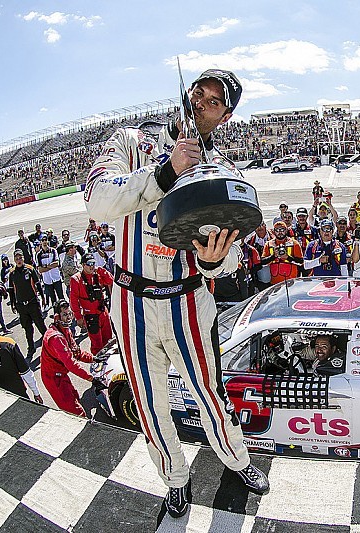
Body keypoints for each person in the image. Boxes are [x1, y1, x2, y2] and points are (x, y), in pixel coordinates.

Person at [84, 68, 269, 516]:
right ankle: (175, 477)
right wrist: (166, 172)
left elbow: (231, 251)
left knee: (210, 394)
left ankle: (237, 460)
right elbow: (97, 200)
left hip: (189, 297)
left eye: (213, 101)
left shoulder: (223, 170)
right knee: (149, 402)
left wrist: (214, 261)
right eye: (198, 92)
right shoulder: (131, 141)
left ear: (224, 117)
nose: (201, 101)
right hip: (131, 300)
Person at [40, 301, 93, 417]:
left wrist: (95, 359)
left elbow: (77, 353)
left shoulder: (66, 330)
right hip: (53, 378)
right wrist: (91, 378)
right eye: (65, 315)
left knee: (76, 397)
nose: (68, 317)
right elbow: (71, 363)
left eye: (70, 314)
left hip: (61, 374)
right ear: (57, 317)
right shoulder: (55, 338)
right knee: (76, 413)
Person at [69, 253, 114, 355]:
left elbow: (110, 280)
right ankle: (98, 364)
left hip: (103, 312)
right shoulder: (76, 279)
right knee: (97, 344)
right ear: (83, 265)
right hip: (91, 316)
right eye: (88, 264)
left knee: (109, 340)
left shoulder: (97, 274)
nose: (91, 266)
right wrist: (78, 317)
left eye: (93, 263)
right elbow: (73, 300)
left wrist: (102, 270)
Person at [6, 249, 47, 358]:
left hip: (33, 303)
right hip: (21, 306)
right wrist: (13, 304)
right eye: (16, 258)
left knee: (41, 325)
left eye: (20, 258)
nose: (19, 260)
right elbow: (11, 289)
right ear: (14, 260)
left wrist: (43, 297)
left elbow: (38, 284)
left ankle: (50, 343)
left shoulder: (30, 269)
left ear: (23, 258)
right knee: (28, 329)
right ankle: (31, 347)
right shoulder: (12, 273)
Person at [36, 235, 65, 305]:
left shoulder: (53, 251)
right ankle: (56, 314)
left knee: (61, 298)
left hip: (56, 278)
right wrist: (50, 266)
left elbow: (57, 263)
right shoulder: (38, 255)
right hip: (47, 281)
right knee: (53, 300)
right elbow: (40, 270)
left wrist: (45, 266)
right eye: (42, 240)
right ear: (40, 242)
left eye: (46, 240)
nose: (44, 242)